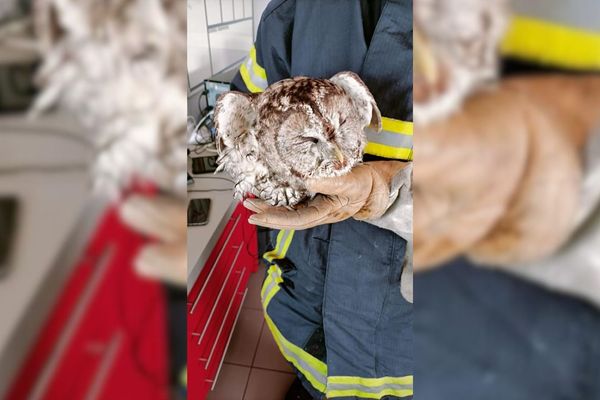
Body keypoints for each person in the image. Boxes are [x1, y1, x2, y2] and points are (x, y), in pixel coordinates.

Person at [230, 1, 414, 399]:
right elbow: (243, 108)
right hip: (305, 319)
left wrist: (394, 193)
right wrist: (261, 159)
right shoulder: (296, 9)